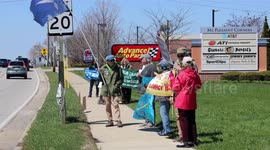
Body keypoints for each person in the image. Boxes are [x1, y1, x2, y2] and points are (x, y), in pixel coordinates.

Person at [171, 56, 202, 148]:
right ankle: (193, 140)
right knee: (192, 120)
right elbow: (199, 85)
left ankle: (186, 141)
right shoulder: (195, 74)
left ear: (184, 64)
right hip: (192, 99)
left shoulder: (182, 74)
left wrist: (172, 80)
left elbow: (175, 87)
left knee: (184, 121)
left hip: (182, 99)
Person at [99, 54, 124, 127]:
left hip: (114, 89)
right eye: (110, 60)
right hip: (106, 89)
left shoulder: (118, 68)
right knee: (107, 105)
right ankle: (110, 120)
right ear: (107, 61)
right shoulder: (103, 68)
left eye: (113, 60)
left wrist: (117, 85)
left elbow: (121, 79)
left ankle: (118, 120)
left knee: (115, 104)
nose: (112, 62)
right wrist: (99, 73)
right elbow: (100, 79)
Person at [137, 54, 157, 128]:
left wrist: (141, 76)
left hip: (150, 90)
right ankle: (147, 120)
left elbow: (153, 79)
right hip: (145, 90)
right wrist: (139, 76)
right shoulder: (145, 67)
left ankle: (151, 122)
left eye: (142, 59)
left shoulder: (152, 67)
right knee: (146, 105)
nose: (141, 60)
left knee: (150, 105)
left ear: (147, 59)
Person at [154, 59, 173, 136]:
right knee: (166, 113)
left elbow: (160, 83)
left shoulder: (164, 75)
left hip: (163, 96)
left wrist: (157, 77)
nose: (159, 68)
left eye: (160, 66)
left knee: (163, 113)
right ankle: (167, 128)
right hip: (169, 96)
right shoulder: (170, 74)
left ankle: (167, 130)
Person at [172, 47, 186, 141]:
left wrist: (181, 70)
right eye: (178, 55)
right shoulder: (175, 63)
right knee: (177, 114)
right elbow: (172, 77)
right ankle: (180, 134)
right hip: (177, 91)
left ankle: (187, 134)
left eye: (182, 55)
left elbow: (193, 75)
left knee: (185, 114)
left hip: (186, 92)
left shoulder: (190, 63)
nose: (180, 57)